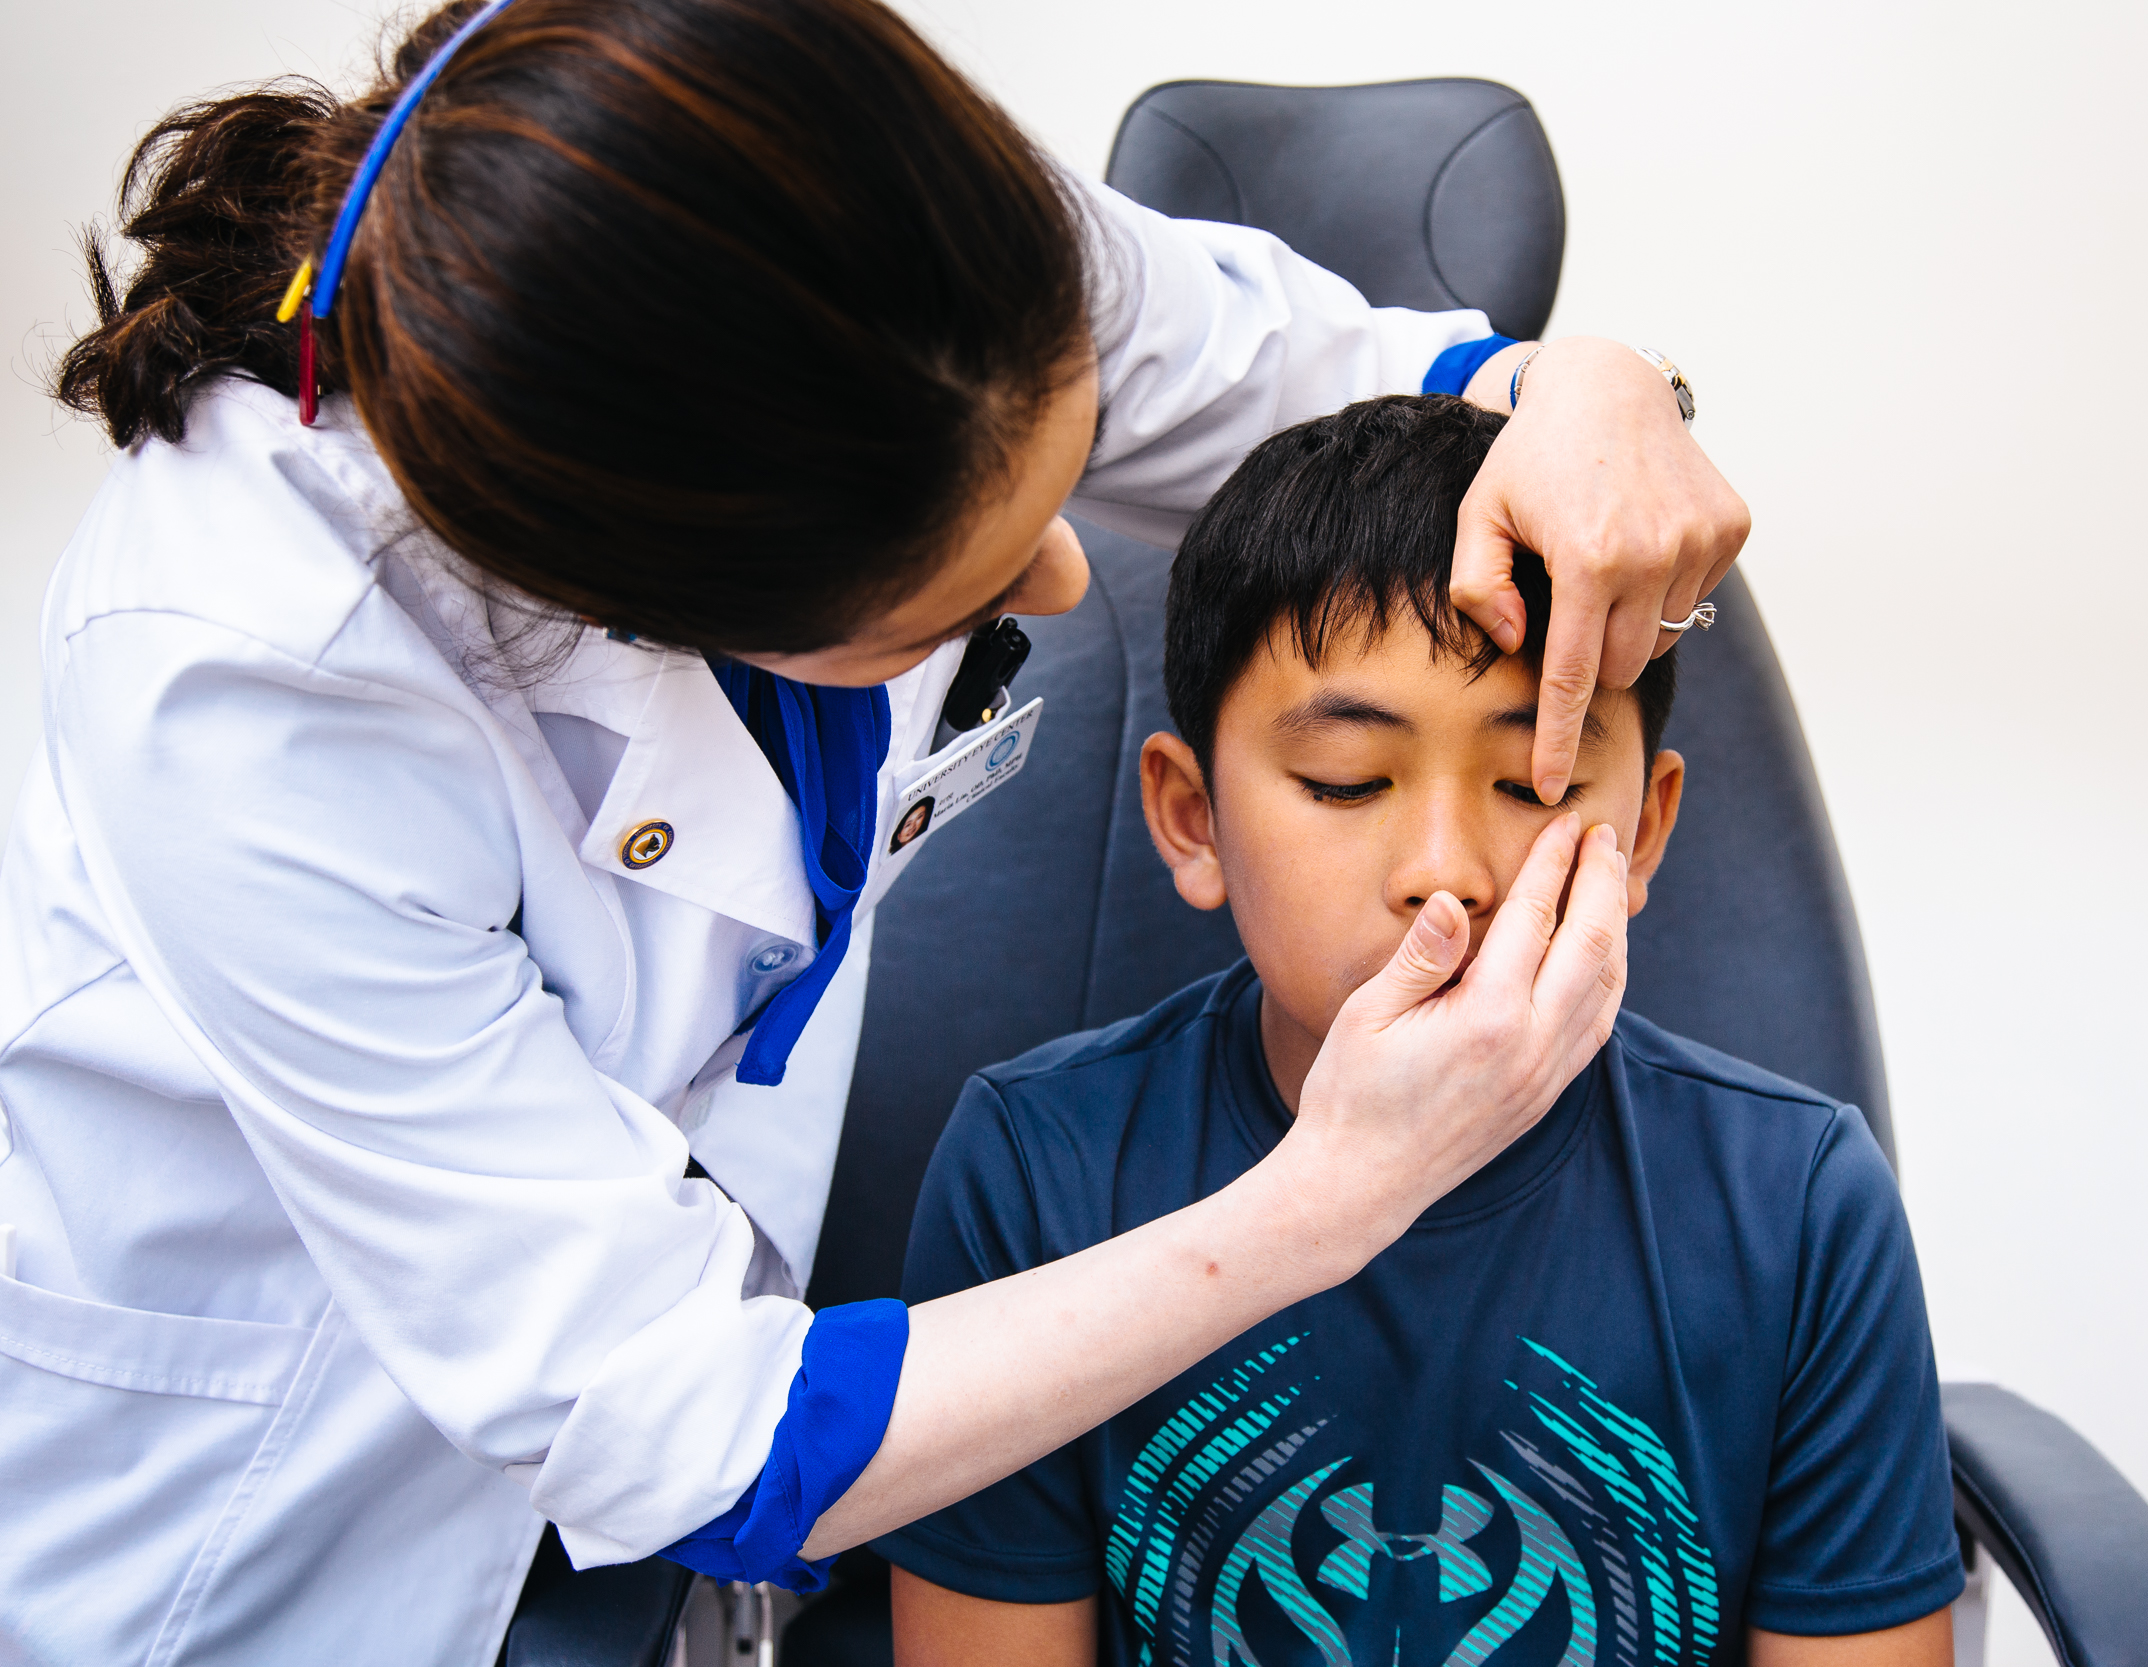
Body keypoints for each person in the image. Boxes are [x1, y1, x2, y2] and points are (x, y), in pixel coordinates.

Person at [0, 1, 1749, 1658]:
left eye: (1525, 775)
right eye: (958, 605)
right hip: (241, 1515)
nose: (1069, 576)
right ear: (651, 606)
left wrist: (1584, 387)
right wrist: (1346, 1188)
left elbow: (1346, 384)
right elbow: (689, 1427)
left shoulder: (910, 263)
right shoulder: (255, 680)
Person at [878, 398, 1958, 1667]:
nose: (1444, 874)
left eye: (1533, 784)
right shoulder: (1035, 1167)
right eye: (1344, 782)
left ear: (1645, 832)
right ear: (1190, 818)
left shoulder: (1800, 1204)